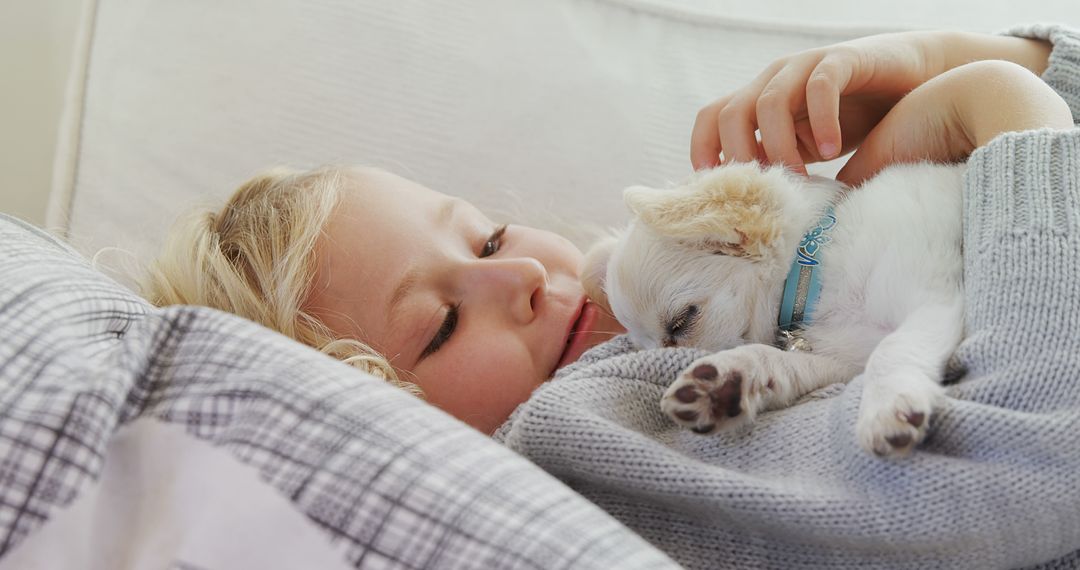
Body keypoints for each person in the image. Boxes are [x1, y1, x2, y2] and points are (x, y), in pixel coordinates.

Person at [144, 27, 1075, 437]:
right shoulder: (588, 431)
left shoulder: (669, 279)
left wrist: (927, 63)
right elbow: (1033, 435)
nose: (523, 278)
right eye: (438, 327)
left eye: (485, 236)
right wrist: (1005, 108)